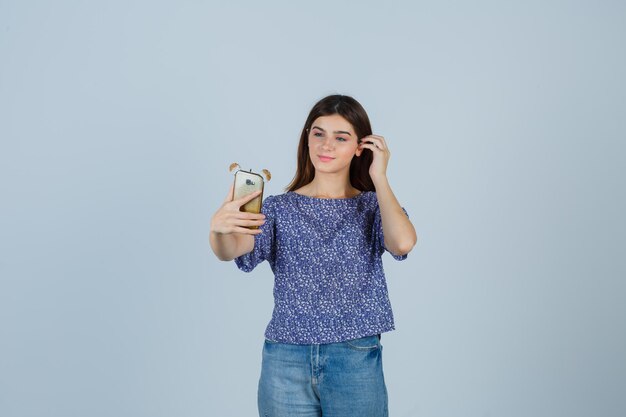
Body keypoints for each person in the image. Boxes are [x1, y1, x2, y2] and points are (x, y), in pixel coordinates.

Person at [209, 94, 417, 417]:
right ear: (307, 137)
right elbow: (234, 250)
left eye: (341, 137)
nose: (326, 145)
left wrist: (380, 176)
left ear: (359, 147)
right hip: (285, 361)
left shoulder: (372, 207)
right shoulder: (280, 207)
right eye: (318, 133)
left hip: (354, 359)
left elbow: (403, 242)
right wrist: (219, 230)